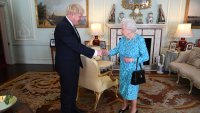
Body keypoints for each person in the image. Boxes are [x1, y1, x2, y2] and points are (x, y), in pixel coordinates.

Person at [54, 3, 102, 113]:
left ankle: (73, 109)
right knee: (67, 91)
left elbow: (75, 45)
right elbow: (75, 45)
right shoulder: (63, 26)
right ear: (72, 14)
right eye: (80, 16)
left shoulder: (69, 25)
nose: (81, 18)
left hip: (72, 63)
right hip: (66, 65)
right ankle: (67, 110)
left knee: (72, 89)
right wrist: (95, 52)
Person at [103, 18, 149, 113]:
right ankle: (125, 105)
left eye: (122, 28)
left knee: (132, 90)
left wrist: (132, 59)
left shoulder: (139, 40)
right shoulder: (123, 39)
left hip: (134, 70)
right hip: (123, 69)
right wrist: (107, 52)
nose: (121, 30)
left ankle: (134, 109)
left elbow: (146, 57)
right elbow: (116, 49)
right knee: (123, 87)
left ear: (129, 29)